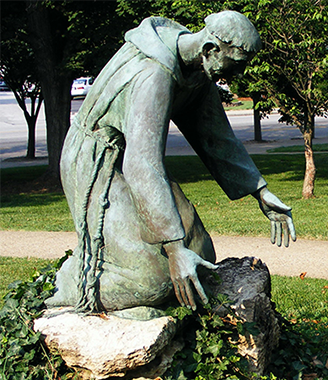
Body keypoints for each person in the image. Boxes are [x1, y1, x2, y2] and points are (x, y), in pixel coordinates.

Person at [47, 11, 296, 315]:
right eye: (237, 65)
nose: (238, 75)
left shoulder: (196, 69)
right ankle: (70, 284)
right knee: (153, 280)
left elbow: (215, 136)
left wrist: (260, 191)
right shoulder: (154, 76)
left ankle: (135, 281)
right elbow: (141, 165)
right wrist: (173, 247)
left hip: (132, 160)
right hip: (98, 162)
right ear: (210, 50)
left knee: (200, 252)